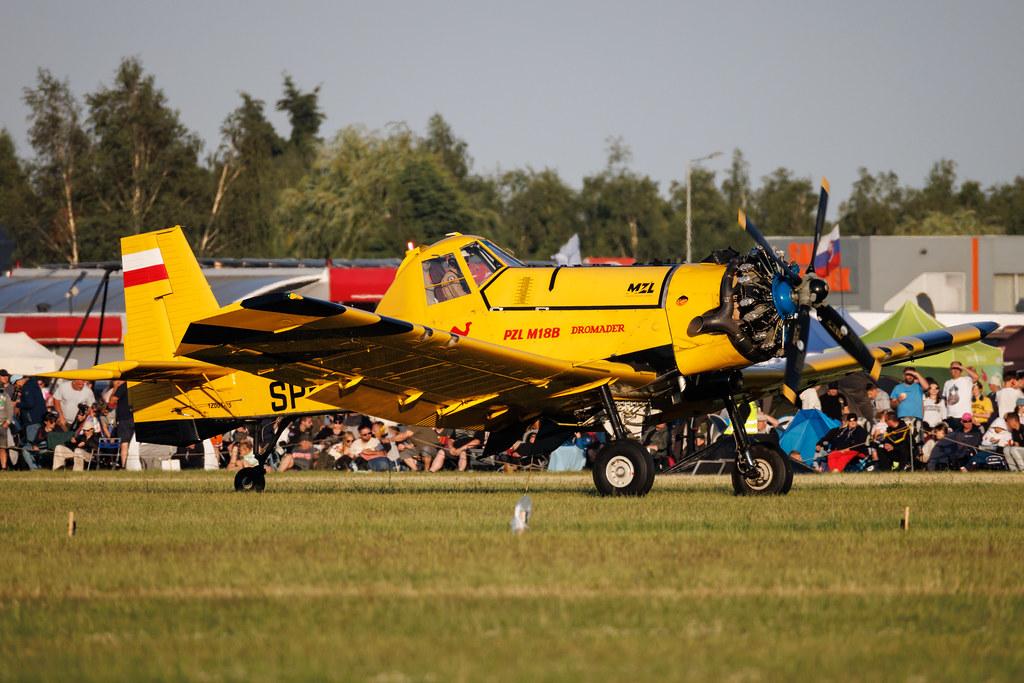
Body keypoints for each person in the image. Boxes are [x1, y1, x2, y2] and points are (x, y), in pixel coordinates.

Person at [942, 362, 977, 429]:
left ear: (961, 370)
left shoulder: (967, 380)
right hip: (950, 416)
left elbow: (976, 377)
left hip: (964, 416)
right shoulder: (947, 383)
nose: (955, 370)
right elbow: (945, 399)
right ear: (950, 370)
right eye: (953, 368)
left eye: (957, 368)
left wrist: (963, 368)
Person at [109, 380, 134, 468]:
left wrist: (116, 387)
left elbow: (111, 402)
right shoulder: (139, 384)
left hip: (124, 419)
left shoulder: (123, 386)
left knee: (124, 443)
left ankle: (124, 465)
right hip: (138, 417)